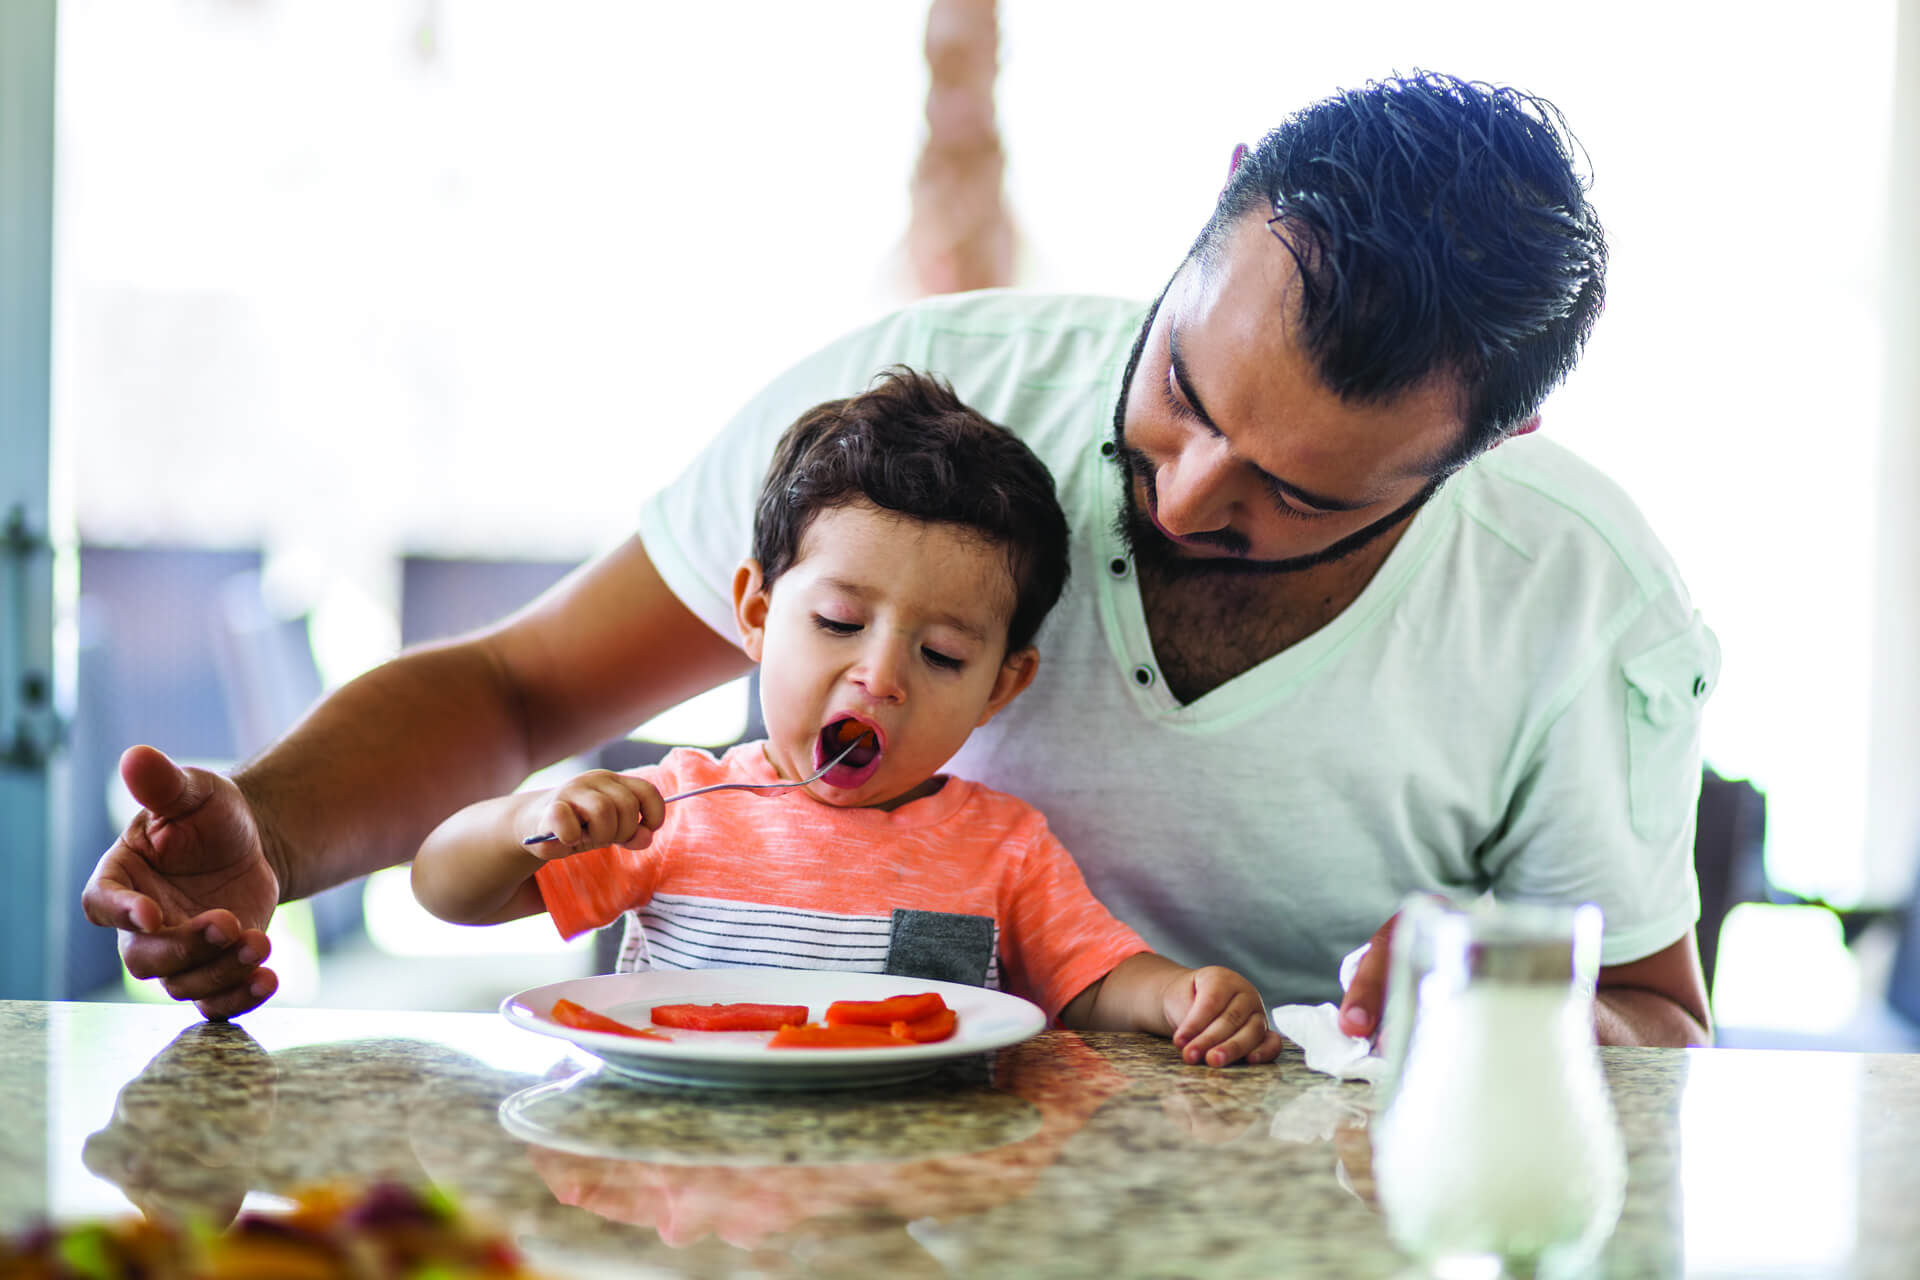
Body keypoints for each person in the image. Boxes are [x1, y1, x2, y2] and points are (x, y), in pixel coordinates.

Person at [83, 71, 1715, 1046]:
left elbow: (1657, 1013)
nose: (1188, 485)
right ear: (1219, 201)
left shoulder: (1573, 592)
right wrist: (269, 836)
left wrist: (1491, 1004)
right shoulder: (931, 400)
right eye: (1181, 391)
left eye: (1294, 494)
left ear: (1488, 450)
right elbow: (521, 694)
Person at [408, 369, 1282, 1067]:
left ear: (1001, 687)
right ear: (754, 612)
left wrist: (1180, 997)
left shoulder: (1003, 847)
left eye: (941, 655)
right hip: (679, 1174)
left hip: (909, 1189)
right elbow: (447, 892)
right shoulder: (671, 810)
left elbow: (1094, 980)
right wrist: (528, 822)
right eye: (837, 623)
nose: (881, 677)